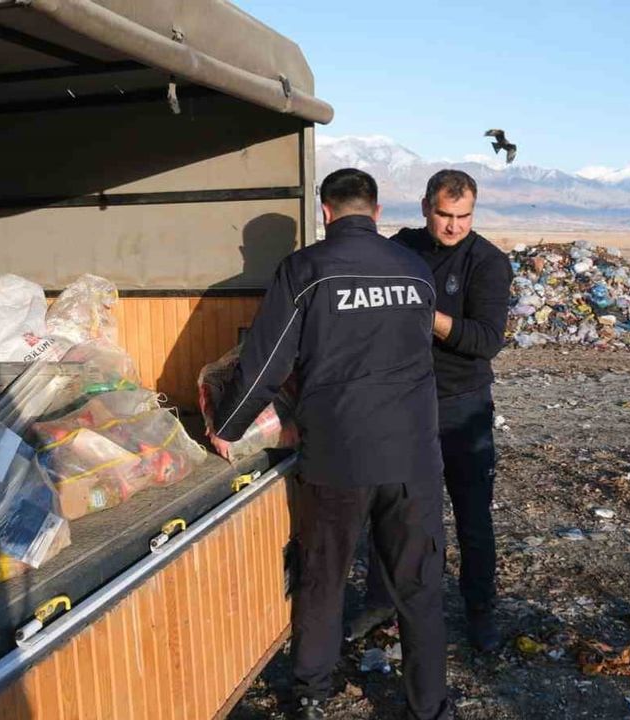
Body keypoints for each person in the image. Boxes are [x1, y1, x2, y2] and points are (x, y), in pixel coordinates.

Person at [212, 168, 450, 720]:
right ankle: (429, 706)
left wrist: (228, 425)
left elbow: (266, 363)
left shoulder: (306, 269)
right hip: (413, 454)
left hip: (339, 454)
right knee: (419, 584)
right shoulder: (415, 270)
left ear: (324, 212)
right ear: (377, 211)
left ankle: (312, 695)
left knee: (323, 577)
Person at [350, 169, 513, 653]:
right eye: (444, 214)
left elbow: (486, 340)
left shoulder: (488, 262)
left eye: (463, 217)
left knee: (472, 517)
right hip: (401, 403)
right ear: (426, 207)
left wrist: (429, 315)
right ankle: (381, 603)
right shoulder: (400, 248)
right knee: (393, 510)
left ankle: (480, 611)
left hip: (462, 407)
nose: (453, 226)